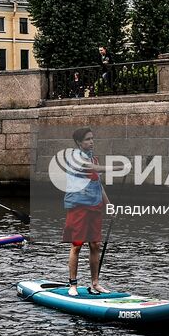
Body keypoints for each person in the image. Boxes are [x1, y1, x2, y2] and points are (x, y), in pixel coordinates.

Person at [62, 126, 109, 296]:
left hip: (95, 206)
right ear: (79, 142)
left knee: (95, 244)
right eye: (88, 139)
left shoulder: (94, 160)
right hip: (79, 207)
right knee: (77, 245)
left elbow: (98, 184)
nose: (91, 142)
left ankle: (95, 283)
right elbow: (91, 169)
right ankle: (73, 285)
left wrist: (108, 205)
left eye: (92, 138)